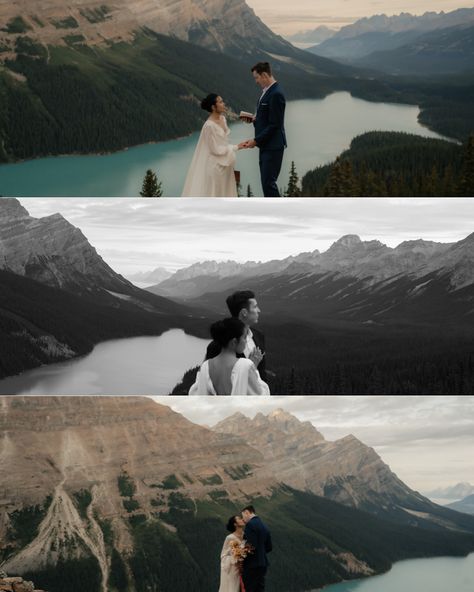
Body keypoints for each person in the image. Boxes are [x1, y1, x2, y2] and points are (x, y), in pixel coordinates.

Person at [182, 94, 248, 196]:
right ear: (213, 107)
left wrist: (236, 146)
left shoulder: (223, 119)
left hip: (226, 165)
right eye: (220, 102)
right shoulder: (209, 126)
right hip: (215, 167)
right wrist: (236, 147)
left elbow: (223, 142)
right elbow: (215, 150)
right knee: (215, 194)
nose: (223, 104)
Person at [189, 318, 270, 395]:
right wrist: (254, 368)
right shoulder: (245, 366)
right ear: (234, 342)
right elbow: (261, 396)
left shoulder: (205, 367)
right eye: (244, 337)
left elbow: (195, 393)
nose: (246, 341)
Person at [240, 62, 287, 197]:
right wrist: (255, 119)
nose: (256, 81)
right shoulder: (267, 92)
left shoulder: (276, 94)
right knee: (266, 183)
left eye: (257, 78)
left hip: (273, 146)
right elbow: (268, 119)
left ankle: (276, 214)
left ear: (265, 75)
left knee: (269, 184)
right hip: (266, 145)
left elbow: (275, 125)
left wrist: (256, 141)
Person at [206, 290, 266, 382]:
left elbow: (262, 374)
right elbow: (215, 382)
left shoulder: (259, 336)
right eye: (255, 307)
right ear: (244, 312)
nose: (259, 310)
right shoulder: (218, 345)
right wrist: (250, 367)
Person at [241, 505, 272, 592]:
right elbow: (269, 547)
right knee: (260, 589)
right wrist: (260, 553)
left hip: (252, 565)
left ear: (247, 512)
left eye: (243, 516)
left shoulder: (250, 524)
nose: (243, 519)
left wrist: (240, 556)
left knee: (249, 589)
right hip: (263, 564)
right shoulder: (264, 525)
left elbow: (251, 545)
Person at [218, 515, 246, 592]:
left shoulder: (246, 535)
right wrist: (235, 558)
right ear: (235, 524)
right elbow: (223, 555)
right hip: (233, 569)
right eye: (239, 519)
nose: (242, 519)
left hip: (245, 568)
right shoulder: (229, 538)